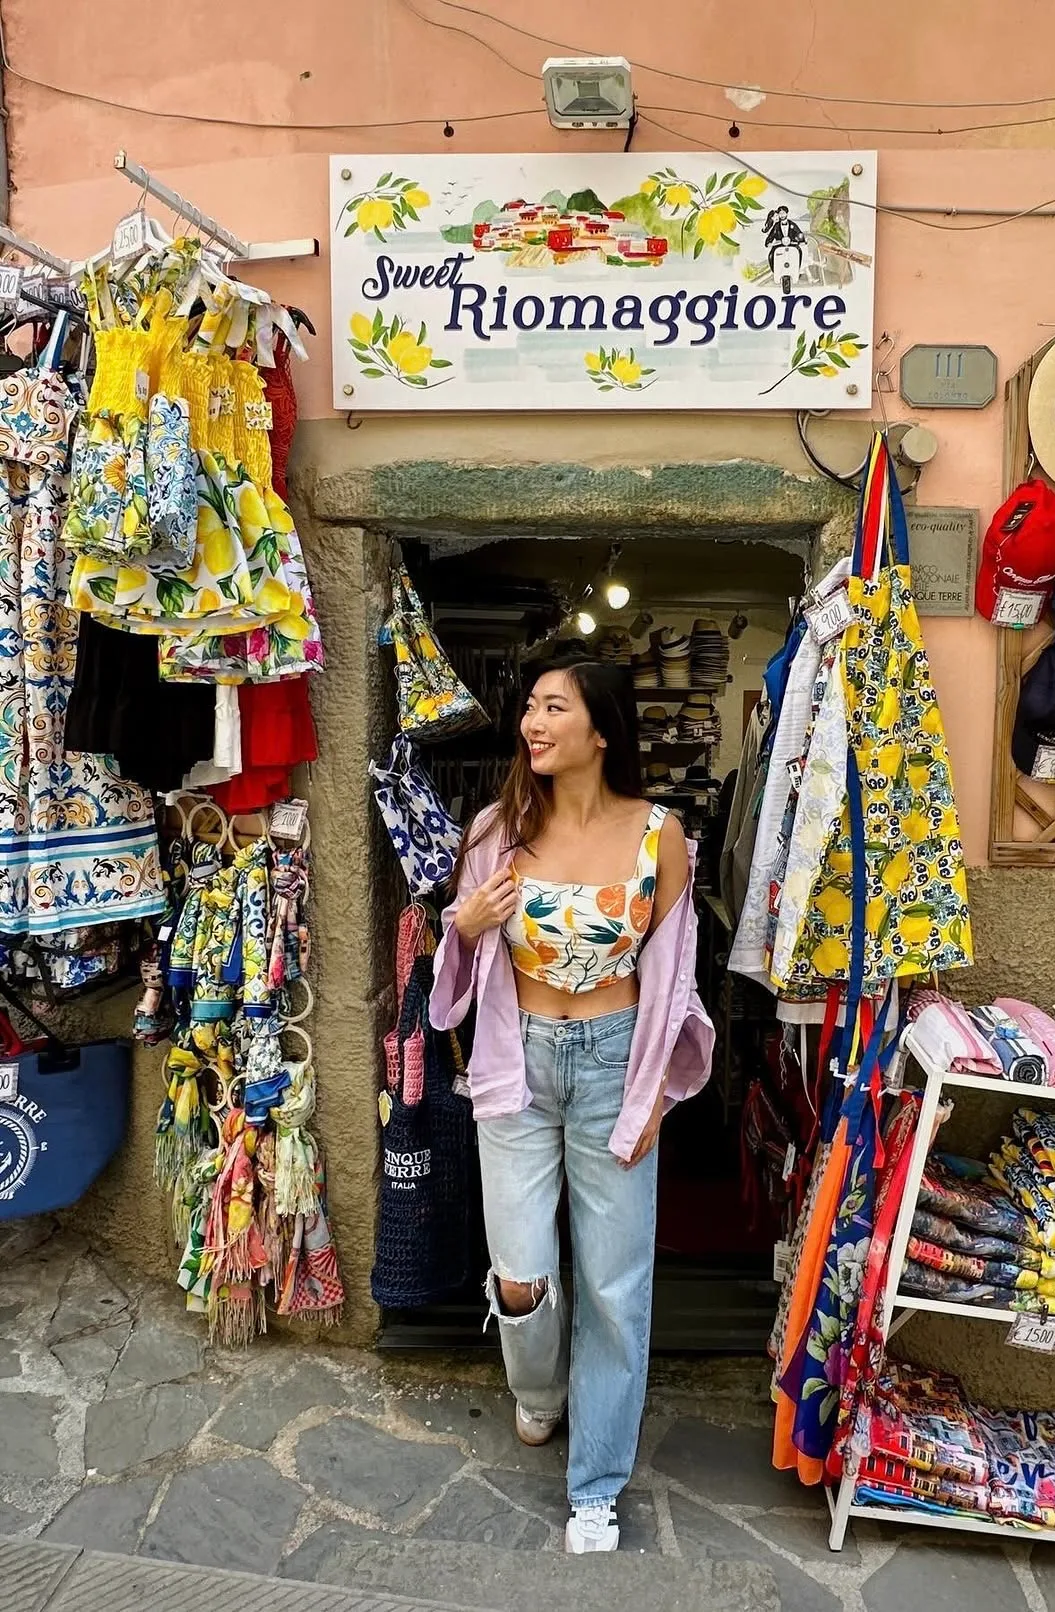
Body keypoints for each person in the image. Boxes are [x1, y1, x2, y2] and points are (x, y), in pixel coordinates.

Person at [429, 653, 714, 1554]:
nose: (532, 724)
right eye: (530, 709)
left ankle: (595, 1484)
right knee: (521, 1272)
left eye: (555, 707)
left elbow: (673, 983)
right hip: (518, 1065)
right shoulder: (495, 832)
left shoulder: (658, 837)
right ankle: (538, 1391)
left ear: (602, 729)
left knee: (614, 1285)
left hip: (615, 1064)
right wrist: (463, 928)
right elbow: (459, 975)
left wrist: (659, 1092)